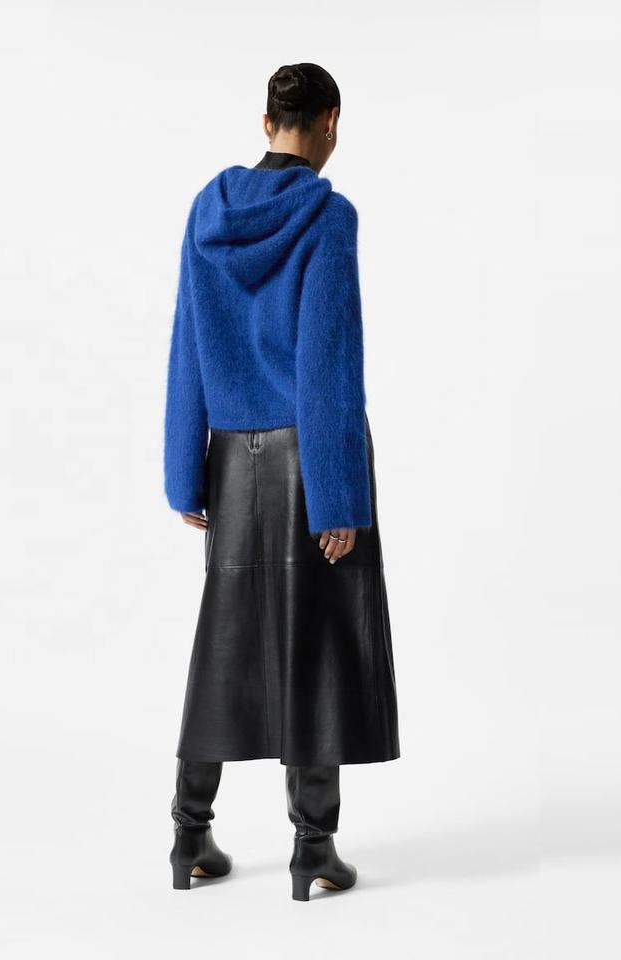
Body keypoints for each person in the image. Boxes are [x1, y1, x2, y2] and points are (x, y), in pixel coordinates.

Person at [162, 62, 400, 902]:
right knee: (318, 645)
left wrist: (182, 472)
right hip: (308, 458)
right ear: (329, 122)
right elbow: (327, 362)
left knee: (224, 644)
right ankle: (313, 851)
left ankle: (189, 837)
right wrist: (337, 497)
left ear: (267, 123)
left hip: (229, 459)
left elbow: (189, 340)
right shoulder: (328, 216)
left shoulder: (207, 210)